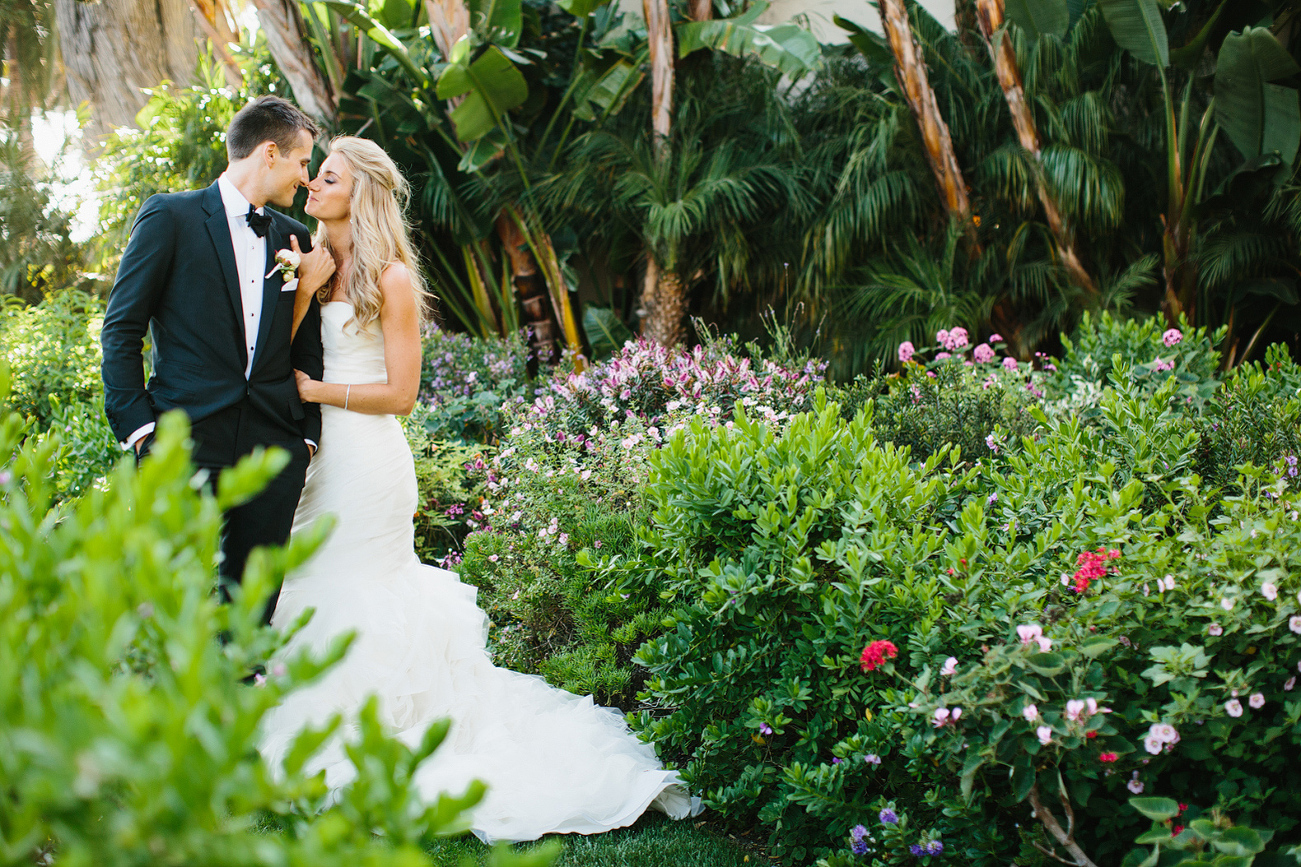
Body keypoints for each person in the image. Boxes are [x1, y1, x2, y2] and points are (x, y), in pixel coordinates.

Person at [256, 136, 694, 842]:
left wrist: (319, 389)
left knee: (358, 586)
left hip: (367, 463)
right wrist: (304, 289)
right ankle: (310, 727)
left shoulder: (392, 278)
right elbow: (273, 356)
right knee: (307, 579)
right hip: (315, 459)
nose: (310, 184)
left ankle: (384, 731)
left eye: (326, 176)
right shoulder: (305, 259)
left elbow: (401, 393)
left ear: (359, 192)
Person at [101, 95, 337, 624]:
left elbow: (307, 344)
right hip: (181, 438)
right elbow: (121, 328)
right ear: (269, 153)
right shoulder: (170, 217)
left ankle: (242, 692)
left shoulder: (294, 237)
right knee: (160, 600)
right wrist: (140, 429)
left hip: (274, 442)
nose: (306, 178)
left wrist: (305, 433)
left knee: (252, 609)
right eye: (303, 162)